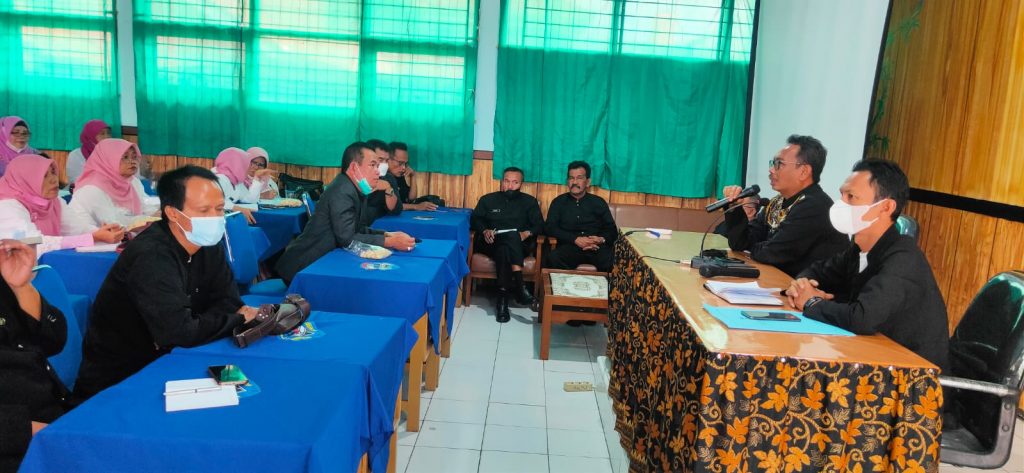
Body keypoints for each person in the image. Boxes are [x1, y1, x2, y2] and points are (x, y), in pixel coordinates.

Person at [72, 166, 260, 401]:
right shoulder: (151, 255)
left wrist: (206, 322)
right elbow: (179, 333)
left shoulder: (207, 244)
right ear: (173, 213)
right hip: (124, 379)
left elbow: (228, 302)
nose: (215, 218)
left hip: (180, 356)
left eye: (220, 209)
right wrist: (237, 319)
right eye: (204, 210)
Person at [786, 159, 950, 372]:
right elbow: (817, 270)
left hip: (911, 378)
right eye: (842, 195)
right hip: (871, 360)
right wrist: (802, 285)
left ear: (886, 207)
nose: (841, 204)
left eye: (851, 197)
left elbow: (862, 318)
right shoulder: (858, 250)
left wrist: (811, 301)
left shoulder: (903, 257)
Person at [275, 142, 417, 284]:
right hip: (304, 269)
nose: (378, 172)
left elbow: (357, 229)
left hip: (324, 263)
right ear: (354, 167)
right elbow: (347, 239)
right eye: (373, 165)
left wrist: (387, 234)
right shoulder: (342, 190)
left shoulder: (356, 188)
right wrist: (391, 242)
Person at [715, 135, 848, 277]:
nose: (771, 170)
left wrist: (757, 248)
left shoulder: (815, 206)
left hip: (814, 288)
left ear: (803, 172)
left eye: (779, 164)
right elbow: (741, 242)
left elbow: (773, 253)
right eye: (773, 163)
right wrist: (734, 207)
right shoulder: (777, 202)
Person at [0, 239, 72, 471]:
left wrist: (21, 288)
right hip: (21, 446)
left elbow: (54, 340)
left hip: (54, 413)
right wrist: (53, 436)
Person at [0, 155, 123, 255]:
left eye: (53, 172)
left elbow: (76, 229)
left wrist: (104, 233)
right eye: (44, 176)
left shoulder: (54, 201)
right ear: (26, 181)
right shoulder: (8, 206)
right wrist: (94, 237)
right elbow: (32, 243)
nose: (54, 179)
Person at [470, 167, 543, 323]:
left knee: (506, 245)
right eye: (507, 181)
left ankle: (502, 302)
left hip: (519, 245)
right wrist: (484, 230)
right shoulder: (488, 199)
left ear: (521, 184)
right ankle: (520, 287)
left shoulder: (529, 202)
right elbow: (475, 219)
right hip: (490, 242)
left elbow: (540, 225)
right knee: (509, 239)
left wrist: (527, 233)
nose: (510, 186)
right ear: (502, 181)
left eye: (515, 182)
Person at [66, 139, 159, 234]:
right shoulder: (92, 188)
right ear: (108, 159)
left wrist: (158, 213)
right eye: (125, 157)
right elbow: (114, 223)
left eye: (134, 157)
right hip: (89, 240)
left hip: (120, 237)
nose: (132, 162)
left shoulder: (132, 182)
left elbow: (144, 207)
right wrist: (149, 219)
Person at [545, 161, 618, 273]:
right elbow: (549, 227)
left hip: (596, 247)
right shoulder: (558, 202)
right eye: (571, 178)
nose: (574, 182)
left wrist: (600, 239)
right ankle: (569, 284)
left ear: (588, 182)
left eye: (579, 178)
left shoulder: (598, 202)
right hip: (570, 246)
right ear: (567, 181)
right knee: (553, 258)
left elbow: (612, 230)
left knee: (614, 261)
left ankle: (601, 286)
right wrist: (575, 239)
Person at [212, 147, 275, 224]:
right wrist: (236, 208)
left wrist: (257, 179)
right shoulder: (218, 178)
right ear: (235, 164)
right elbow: (213, 200)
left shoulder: (237, 182)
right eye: (245, 164)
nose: (248, 167)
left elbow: (250, 199)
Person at [362, 139, 401, 225]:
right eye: (380, 159)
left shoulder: (388, 178)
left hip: (379, 225)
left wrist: (388, 188)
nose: (384, 164)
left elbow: (396, 209)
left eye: (386, 160)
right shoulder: (357, 175)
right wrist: (367, 187)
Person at [389, 142, 437, 211]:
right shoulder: (381, 177)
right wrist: (416, 206)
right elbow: (390, 206)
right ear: (388, 159)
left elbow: (411, 198)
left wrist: (413, 176)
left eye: (405, 164)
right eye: (400, 163)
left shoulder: (398, 175)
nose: (403, 168)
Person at [65, 120, 112, 186]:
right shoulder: (76, 155)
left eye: (108, 133)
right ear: (90, 135)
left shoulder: (113, 153)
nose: (107, 137)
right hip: (84, 189)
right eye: (102, 133)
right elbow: (75, 180)